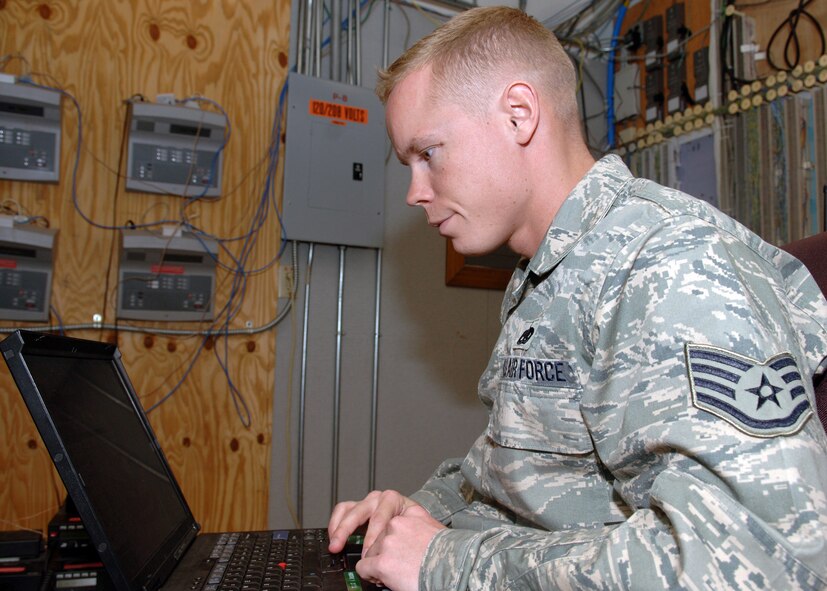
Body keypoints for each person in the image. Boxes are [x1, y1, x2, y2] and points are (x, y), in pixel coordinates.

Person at [328, 6, 827, 590]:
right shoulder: (547, 272)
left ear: (518, 115)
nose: (415, 192)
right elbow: (521, 473)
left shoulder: (668, 261)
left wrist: (447, 565)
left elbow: (761, 562)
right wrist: (420, 513)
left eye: (428, 154)